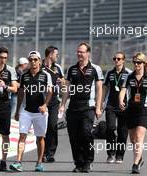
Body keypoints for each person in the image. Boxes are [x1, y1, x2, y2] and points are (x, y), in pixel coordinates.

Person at [59, 42, 103, 173]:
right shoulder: (71, 69)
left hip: (88, 107)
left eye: (82, 52)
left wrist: (98, 107)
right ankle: (78, 163)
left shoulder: (95, 68)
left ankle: (88, 161)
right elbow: (66, 88)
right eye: (78, 52)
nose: (79, 54)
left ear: (88, 53)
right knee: (74, 136)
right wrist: (62, 105)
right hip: (73, 107)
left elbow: (99, 88)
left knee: (86, 133)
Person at [9, 51, 53, 172]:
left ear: (39, 61)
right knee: (22, 135)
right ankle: (18, 162)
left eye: (35, 59)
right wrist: (17, 111)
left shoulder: (45, 75)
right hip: (26, 111)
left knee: (40, 138)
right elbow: (21, 93)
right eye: (31, 60)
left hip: (40, 112)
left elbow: (50, 91)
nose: (33, 62)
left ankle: (39, 163)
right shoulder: (24, 75)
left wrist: (45, 105)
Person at [119, 52, 147, 174]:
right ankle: (140, 157)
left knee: (138, 137)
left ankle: (135, 164)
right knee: (132, 140)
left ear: (144, 63)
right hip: (131, 109)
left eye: (139, 62)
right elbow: (123, 90)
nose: (136, 64)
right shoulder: (129, 77)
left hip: (145, 109)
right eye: (134, 62)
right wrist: (121, 100)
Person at [102, 51, 131, 164]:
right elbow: (104, 88)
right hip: (111, 105)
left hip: (124, 106)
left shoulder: (129, 73)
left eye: (119, 59)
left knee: (122, 132)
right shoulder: (109, 73)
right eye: (115, 58)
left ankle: (120, 155)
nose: (116, 61)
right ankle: (110, 154)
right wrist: (100, 103)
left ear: (123, 60)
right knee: (110, 128)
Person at [42, 46, 65, 163]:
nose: (57, 56)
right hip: (41, 101)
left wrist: (62, 82)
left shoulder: (58, 67)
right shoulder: (38, 66)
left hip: (54, 101)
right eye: (56, 54)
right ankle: (42, 152)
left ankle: (50, 153)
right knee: (42, 128)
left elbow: (64, 82)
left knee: (52, 126)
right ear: (50, 54)